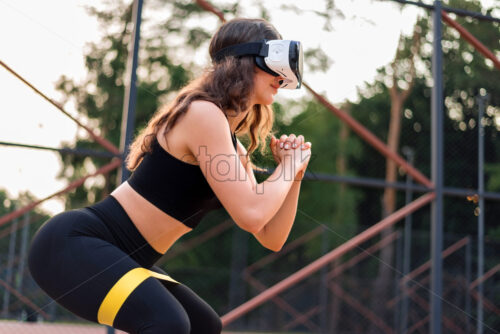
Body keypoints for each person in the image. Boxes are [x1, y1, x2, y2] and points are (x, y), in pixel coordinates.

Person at [28, 17, 311, 334]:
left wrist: (295, 173)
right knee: (167, 324)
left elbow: (270, 236)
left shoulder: (233, 148)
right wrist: (285, 168)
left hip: (124, 257)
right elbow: (251, 214)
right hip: (74, 245)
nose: (282, 76)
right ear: (247, 61)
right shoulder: (203, 114)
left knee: (204, 327)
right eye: (274, 62)